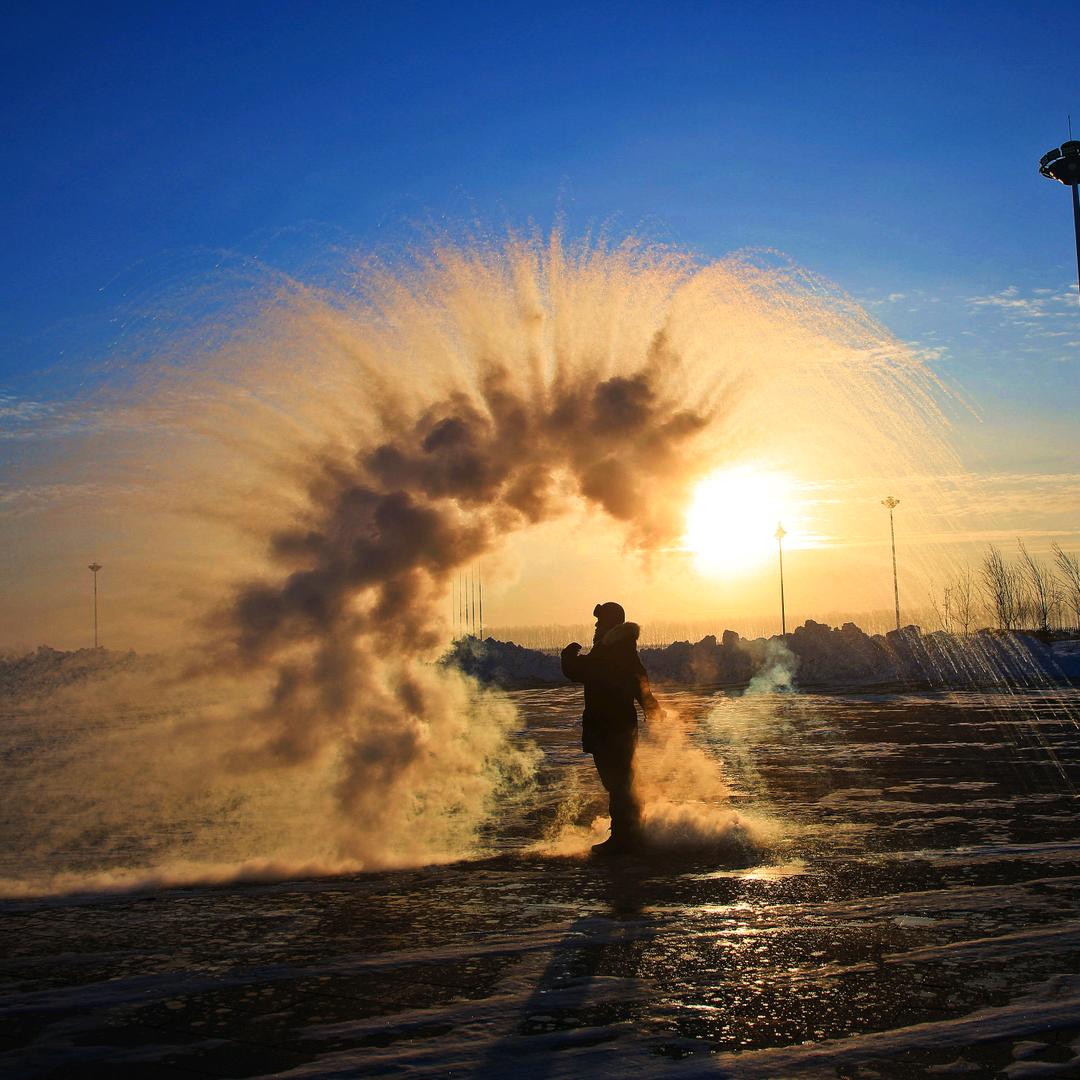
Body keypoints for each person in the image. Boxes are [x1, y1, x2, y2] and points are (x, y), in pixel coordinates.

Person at [561, 602, 663, 854]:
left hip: (611, 725)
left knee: (619, 782)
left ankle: (625, 838)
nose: (595, 626)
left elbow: (585, 671)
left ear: (609, 624)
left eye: (599, 622)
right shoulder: (617, 649)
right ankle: (631, 831)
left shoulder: (612, 651)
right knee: (620, 781)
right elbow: (641, 683)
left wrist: (568, 657)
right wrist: (651, 707)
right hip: (612, 724)